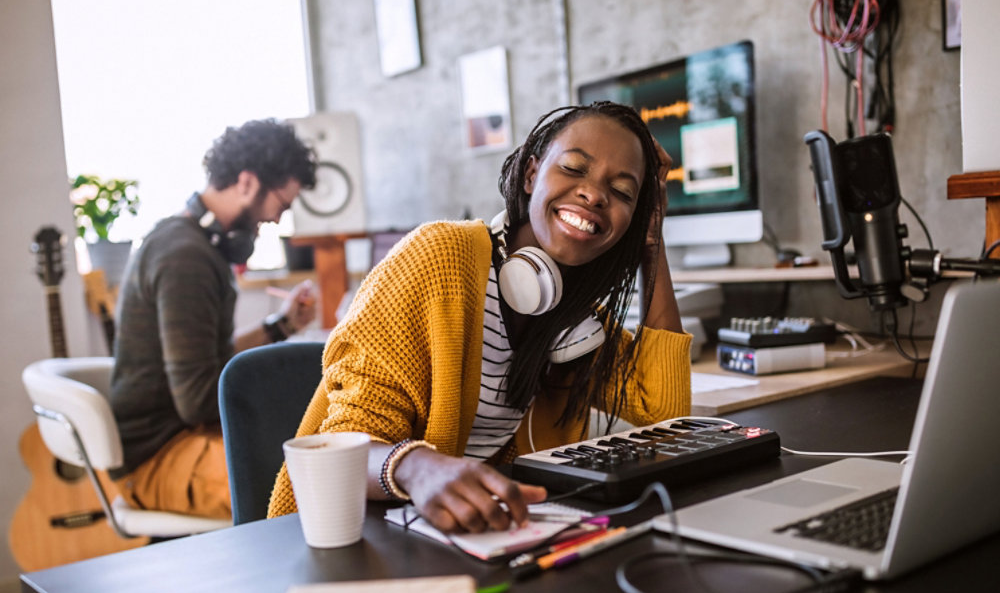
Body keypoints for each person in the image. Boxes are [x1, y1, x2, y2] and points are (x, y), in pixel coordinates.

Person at [267, 102, 691, 533]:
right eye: (574, 168)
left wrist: (651, 240)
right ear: (531, 175)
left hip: (462, 537)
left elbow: (664, 414)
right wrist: (420, 468)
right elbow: (344, 446)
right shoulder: (438, 258)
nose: (595, 194)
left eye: (621, 192)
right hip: (345, 535)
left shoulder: (574, 322)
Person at [111, 118, 318, 519]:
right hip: (160, 455)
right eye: (282, 204)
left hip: (180, 437)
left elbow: (210, 359)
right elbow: (198, 401)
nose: (277, 219)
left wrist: (282, 325)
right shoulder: (185, 257)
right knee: (312, 489)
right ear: (246, 182)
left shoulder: (193, 243)